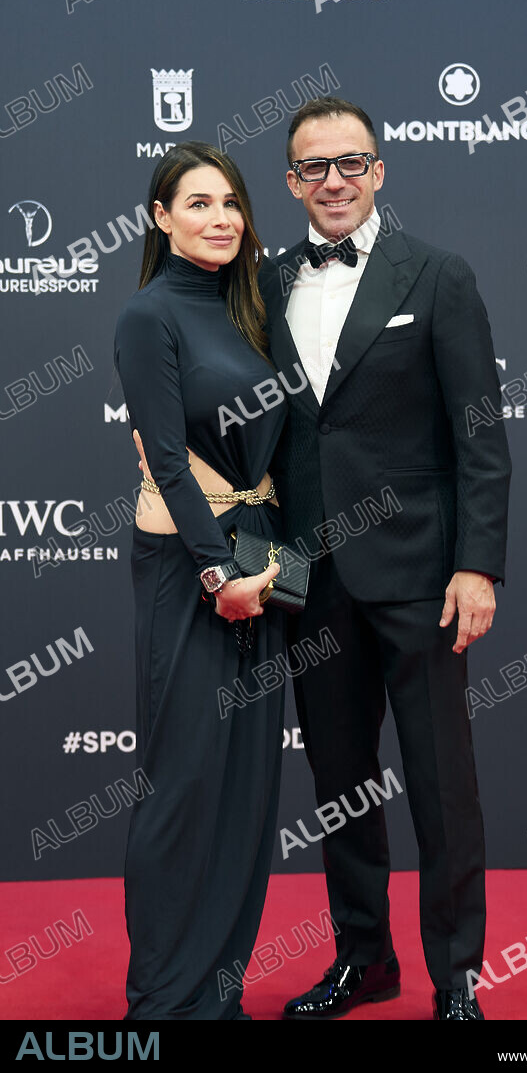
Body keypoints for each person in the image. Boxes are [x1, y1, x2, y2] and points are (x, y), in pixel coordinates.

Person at [259, 98, 512, 1021]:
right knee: (338, 789)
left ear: (379, 170)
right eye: (314, 167)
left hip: (420, 577)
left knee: (443, 786)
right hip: (309, 581)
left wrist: (477, 563)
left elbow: (478, 433)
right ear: (290, 181)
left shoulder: (437, 276)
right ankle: (363, 961)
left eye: (351, 162)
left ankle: (456, 979)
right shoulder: (262, 281)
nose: (334, 180)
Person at [114, 141, 284, 1020]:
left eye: (230, 203)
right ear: (161, 216)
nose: (219, 217)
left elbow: (284, 460)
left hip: (264, 552)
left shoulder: (250, 312)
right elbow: (167, 463)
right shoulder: (150, 316)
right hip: (193, 565)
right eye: (198, 202)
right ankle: (163, 1001)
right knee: (183, 781)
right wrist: (218, 571)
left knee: (247, 787)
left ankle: (219, 992)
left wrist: (277, 571)